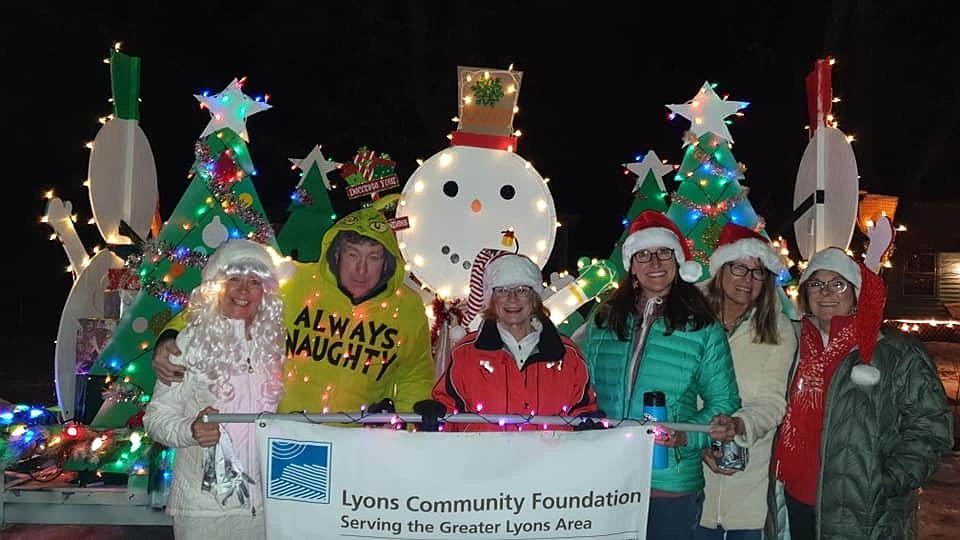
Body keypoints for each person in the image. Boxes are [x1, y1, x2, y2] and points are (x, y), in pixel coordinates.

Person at [152, 204, 435, 416]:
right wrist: (171, 335)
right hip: (282, 432)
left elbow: (413, 375)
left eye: (373, 258)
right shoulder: (294, 279)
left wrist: (411, 426)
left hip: (354, 442)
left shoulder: (407, 308)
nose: (361, 270)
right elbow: (222, 301)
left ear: (387, 262)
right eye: (353, 255)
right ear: (337, 252)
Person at [576, 210, 740, 540]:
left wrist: (686, 436)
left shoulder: (701, 326)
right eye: (644, 254)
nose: (654, 262)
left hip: (669, 478)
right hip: (609, 474)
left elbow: (724, 402)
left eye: (664, 252)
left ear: (677, 261)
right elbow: (580, 387)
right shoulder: (605, 319)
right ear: (632, 265)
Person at [768, 247, 952, 539]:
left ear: (856, 293)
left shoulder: (895, 351)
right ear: (805, 293)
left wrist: (885, 482)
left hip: (863, 510)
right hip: (794, 496)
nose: (826, 292)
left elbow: (930, 428)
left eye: (838, 284)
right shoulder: (790, 341)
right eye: (816, 283)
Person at [144, 239, 287, 539]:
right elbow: (156, 418)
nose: (243, 290)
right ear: (216, 286)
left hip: (264, 509)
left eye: (254, 282)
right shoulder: (188, 343)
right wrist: (191, 430)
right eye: (234, 279)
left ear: (265, 291)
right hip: (203, 510)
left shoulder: (273, 347)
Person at [694, 224, 797, 540]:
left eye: (758, 272)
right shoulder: (689, 319)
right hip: (688, 482)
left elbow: (772, 401)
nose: (747, 279)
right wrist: (698, 442)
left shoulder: (778, 330)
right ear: (721, 269)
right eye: (739, 268)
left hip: (749, 491)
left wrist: (739, 425)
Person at [432, 253, 597, 431]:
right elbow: (448, 409)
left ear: (535, 299)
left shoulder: (568, 355)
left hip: (550, 450)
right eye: (502, 290)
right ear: (491, 299)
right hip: (483, 450)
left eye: (522, 290)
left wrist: (587, 424)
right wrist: (435, 419)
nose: (512, 298)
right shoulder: (466, 354)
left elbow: (582, 409)